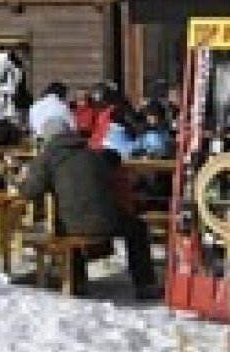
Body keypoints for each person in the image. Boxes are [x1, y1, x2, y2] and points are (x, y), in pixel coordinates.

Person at [20, 115, 159, 300]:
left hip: (74, 225)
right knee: (138, 228)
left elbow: (30, 192)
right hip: (109, 220)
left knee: (66, 224)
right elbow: (114, 157)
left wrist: (20, 182)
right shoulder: (90, 151)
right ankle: (146, 284)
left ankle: (77, 282)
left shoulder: (46, 158)